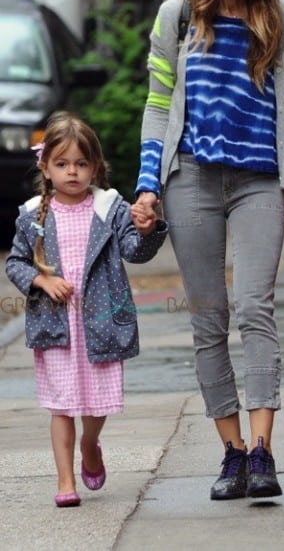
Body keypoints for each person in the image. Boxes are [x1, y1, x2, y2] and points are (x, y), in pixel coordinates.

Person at [132, 0, 284, 501]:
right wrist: (146, 183)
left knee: (255, 307)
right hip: (191, 180)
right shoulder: (177, 17)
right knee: (208, 319)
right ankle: (231, 454)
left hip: (261, 180)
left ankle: (264, 450)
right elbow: (159, 107)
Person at [5, 112, 168, 508]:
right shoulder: (33, 216)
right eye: (62, 164)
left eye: (81, 164)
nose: (72, 172)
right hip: (56, 327)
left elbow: (134, 251)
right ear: (45, 167)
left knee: (96, 404)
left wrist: (148, 229)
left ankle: (90, 443)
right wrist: (42, 281)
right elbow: (16, 263)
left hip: (101, 323)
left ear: (95, 166)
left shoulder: (110, 208)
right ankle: (65, 480)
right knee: (61, 406)